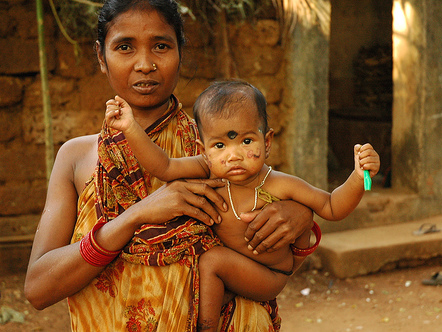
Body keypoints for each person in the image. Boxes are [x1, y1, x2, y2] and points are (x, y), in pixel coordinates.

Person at [24, 1, 314, 331]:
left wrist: (301, 217)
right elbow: (38, 289)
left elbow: (275, 264)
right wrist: (135, 216)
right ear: (101, 58)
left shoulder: (216, 154)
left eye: (161, 46)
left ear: (181, 52)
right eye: (124, 47)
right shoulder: (75, 158)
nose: (145, 64)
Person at [105, 80, 381, 331]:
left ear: (267, 141)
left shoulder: (281, 184)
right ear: (203, 149)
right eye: (220, 145)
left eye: (246, 141)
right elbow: (163, 166)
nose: (233, 155)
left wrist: (358, 176)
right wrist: (130, 127)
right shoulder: (207, 169)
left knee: (212, 260)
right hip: (234, 273)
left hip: (270, 276)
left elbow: (333, 207)